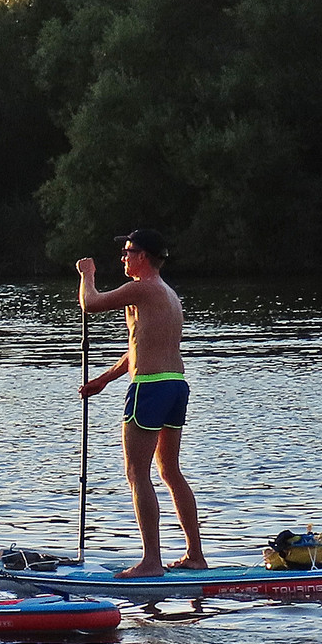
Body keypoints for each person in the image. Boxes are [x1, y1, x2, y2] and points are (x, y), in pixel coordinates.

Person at [77, 228, 206, 578]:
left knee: (137, 474)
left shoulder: (142, 288)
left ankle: (151, 561)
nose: (123, 257)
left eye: (128, 251)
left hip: (150, 388)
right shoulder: (165, 293)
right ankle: (195, 555)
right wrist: (104, 379)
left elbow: (91, 303)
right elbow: (138, 347)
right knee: (169, 471)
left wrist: (87, 274)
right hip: (175, 385)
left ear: (144, 256)